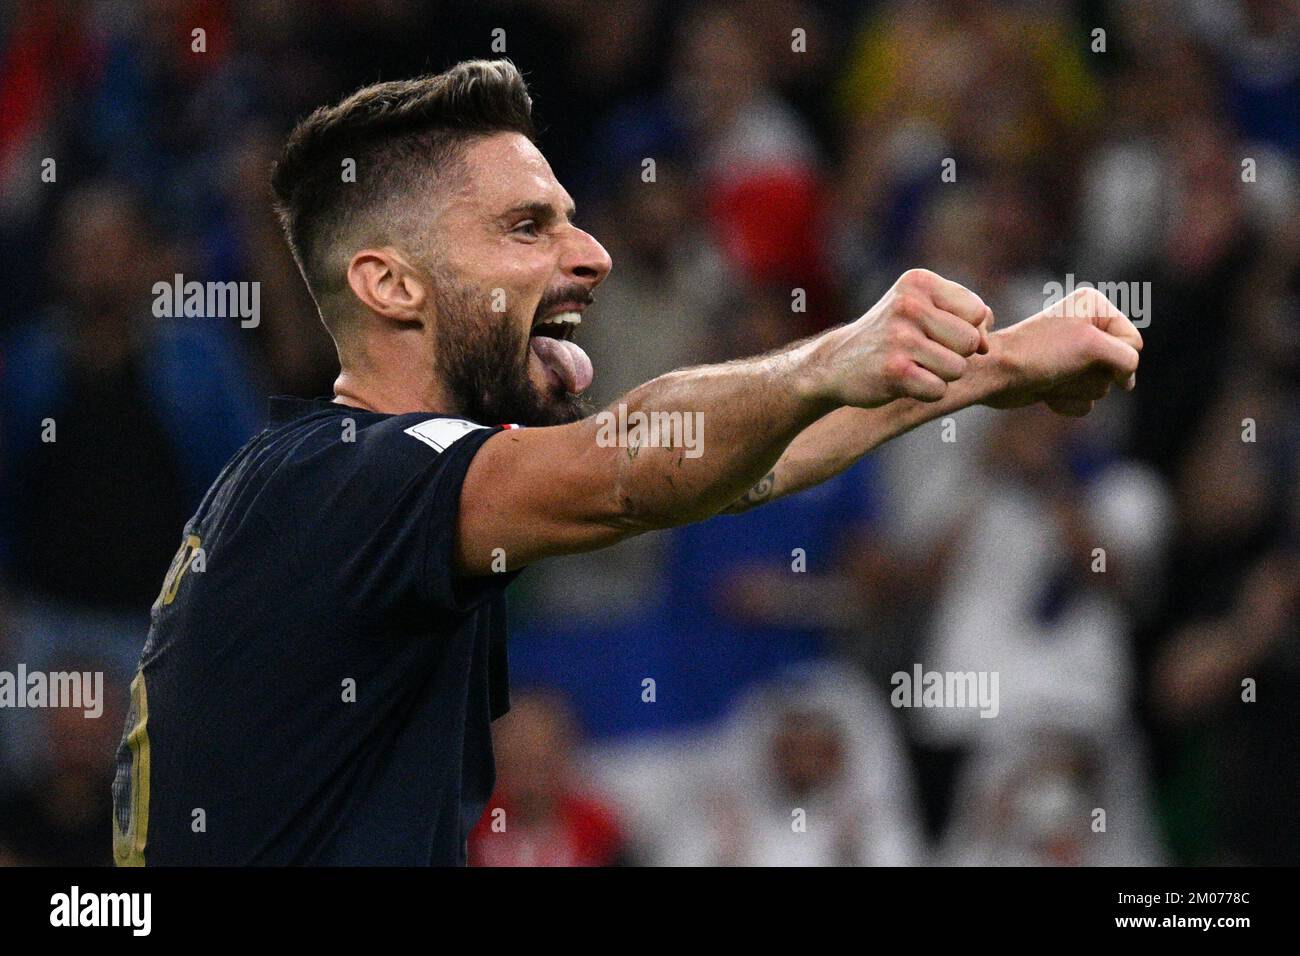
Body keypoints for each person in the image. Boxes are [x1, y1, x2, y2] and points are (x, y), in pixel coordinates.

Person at [112, 59, 1142, 866]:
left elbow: (735, 467)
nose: (591, 252)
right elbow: (635, 465)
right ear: (390, 285)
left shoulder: (345, 482)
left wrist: (987, 366)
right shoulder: (352, 472)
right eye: (526, 226)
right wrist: (838, 350)